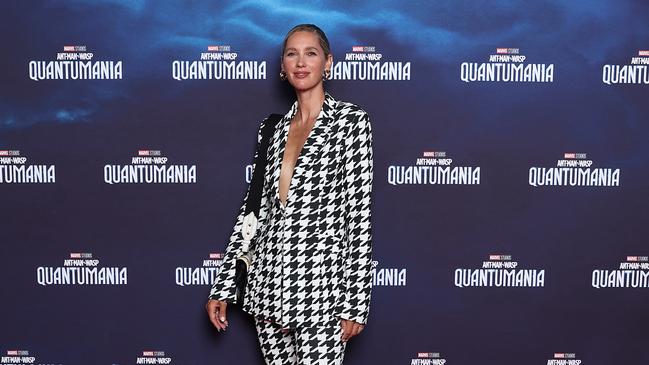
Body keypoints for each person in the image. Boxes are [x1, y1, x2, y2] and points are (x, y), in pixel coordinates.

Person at [205, 23, 373, 365]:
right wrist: (224, 286)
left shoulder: (351, 122)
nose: (300, 62)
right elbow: (254, 214)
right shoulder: (272, 129)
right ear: (282, 67)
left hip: (321, 296)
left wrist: (355, 302)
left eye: (310, 53)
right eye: (291, 54)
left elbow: (358, 217)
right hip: (268, 289)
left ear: (328, 63)